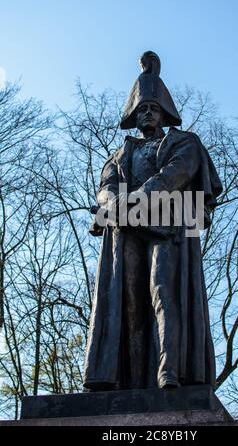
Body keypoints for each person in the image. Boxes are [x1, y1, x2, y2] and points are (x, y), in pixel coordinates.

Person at [83, 51, 222, 391]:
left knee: (162, 291)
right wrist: (112, 202)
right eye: (142, 108)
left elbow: (173, 176)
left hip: (169, 228)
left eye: (153, 108)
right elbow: (105, 188)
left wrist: (128, 200)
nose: (147, 113)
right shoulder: (120, 154)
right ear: (133, 113)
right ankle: (131, 380)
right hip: (127, 232)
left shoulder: (184, 143)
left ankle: (169, 370)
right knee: (130, 305)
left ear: (163, 113)